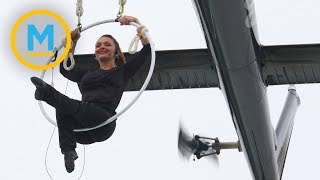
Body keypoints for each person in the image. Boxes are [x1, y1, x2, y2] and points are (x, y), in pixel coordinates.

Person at [30, 15, 150, 173]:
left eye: (107, 44)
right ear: (95, 53)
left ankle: (46, 94)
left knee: (68, 105)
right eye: (98, 45)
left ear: (116, 52)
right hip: (81, 130)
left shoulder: (123, 72)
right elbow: (66, 68)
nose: (102, 47)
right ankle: (69, 151)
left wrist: (136, 23)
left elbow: (148, 49)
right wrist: (72, 42)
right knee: (64, 108)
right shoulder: (86, 76)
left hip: (104, 120)